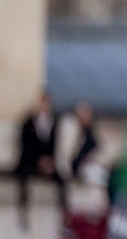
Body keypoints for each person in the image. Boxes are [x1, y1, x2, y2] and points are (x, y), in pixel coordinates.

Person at [15, 91, 67, 230]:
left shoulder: (54, 121)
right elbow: (25, 145)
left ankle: (64, 219)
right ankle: (23, 215)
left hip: (48, 163)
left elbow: (54, 146)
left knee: (62, 180)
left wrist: (49, 162)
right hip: (30, 161)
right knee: (24, 179)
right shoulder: (28, 122)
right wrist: (39, 161)